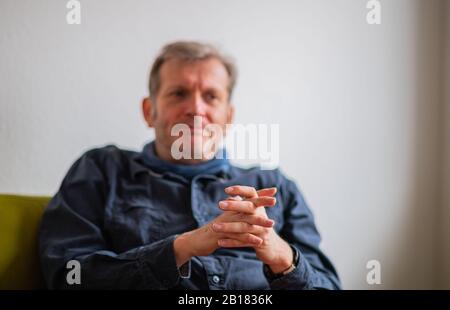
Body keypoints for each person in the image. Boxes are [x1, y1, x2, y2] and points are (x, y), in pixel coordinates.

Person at [39, 41, 341, 289]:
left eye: (211, 96)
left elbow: (328, 285)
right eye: (178, 93)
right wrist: (180, 249)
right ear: (149, 111)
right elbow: (69, 277)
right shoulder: (102, 170)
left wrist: (283, 258)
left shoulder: (277, 187)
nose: (196, 108)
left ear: (228, 116)